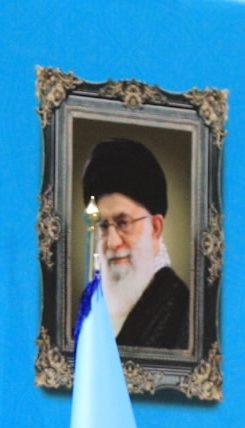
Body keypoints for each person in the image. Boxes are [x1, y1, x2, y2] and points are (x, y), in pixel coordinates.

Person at [81, 139, 192, 349]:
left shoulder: (182, 312)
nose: (112, 242)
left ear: (155, 228)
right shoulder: (94, 307)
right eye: (103, 226)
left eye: (123, 223)